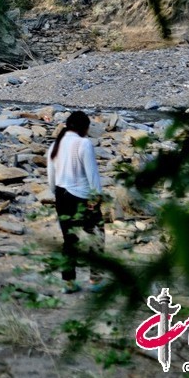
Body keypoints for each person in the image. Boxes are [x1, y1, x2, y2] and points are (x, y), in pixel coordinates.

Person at [46, 110, 105, 293]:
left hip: (62, 196)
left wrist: (57, 194)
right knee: (96, 236)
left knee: (69, 240)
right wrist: (97, 196)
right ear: (83, 128)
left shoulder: (55, 145)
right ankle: (95, 280)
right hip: (82, 196)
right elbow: (92, 173)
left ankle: (69, 282)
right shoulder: (83, 143)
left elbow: (51, 177)